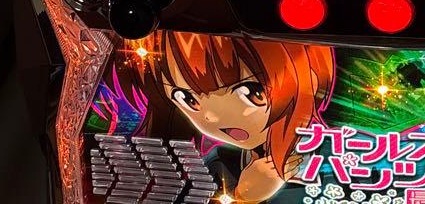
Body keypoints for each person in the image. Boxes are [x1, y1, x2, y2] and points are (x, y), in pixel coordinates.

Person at [140, 32, 334, 202]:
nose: (211, 117)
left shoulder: (338, 154)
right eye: (188, 100)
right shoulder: (220, 161)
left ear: (310, 82)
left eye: (252, 93)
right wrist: (245, 197)